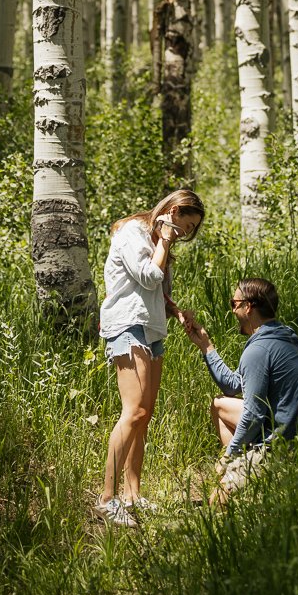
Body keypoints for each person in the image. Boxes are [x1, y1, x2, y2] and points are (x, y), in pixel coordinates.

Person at [95, 189, 205, 526]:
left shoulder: (160, 242)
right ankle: (107, 498)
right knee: (134, 411)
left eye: (190, 231)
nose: (184, 234)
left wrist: (176, 311)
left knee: (146, 414)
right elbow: (148, 276)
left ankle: (132, 495)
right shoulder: (133, 233)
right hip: (128, 324)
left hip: (153, 329)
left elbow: (156, 290)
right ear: (172, 211)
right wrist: (166, 240)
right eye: (184, 226)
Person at [186, 277, 298, 500]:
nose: (232, 311)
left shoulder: (259, 350)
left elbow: (254, 414)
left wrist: (228, 455)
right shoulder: (280, 337)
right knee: (219, 404)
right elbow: (233, 386)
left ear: (247, 307)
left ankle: (239, 478)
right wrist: (206, 347)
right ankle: (240, 470)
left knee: (218, 499)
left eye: (233, 304)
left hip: (284, 449)